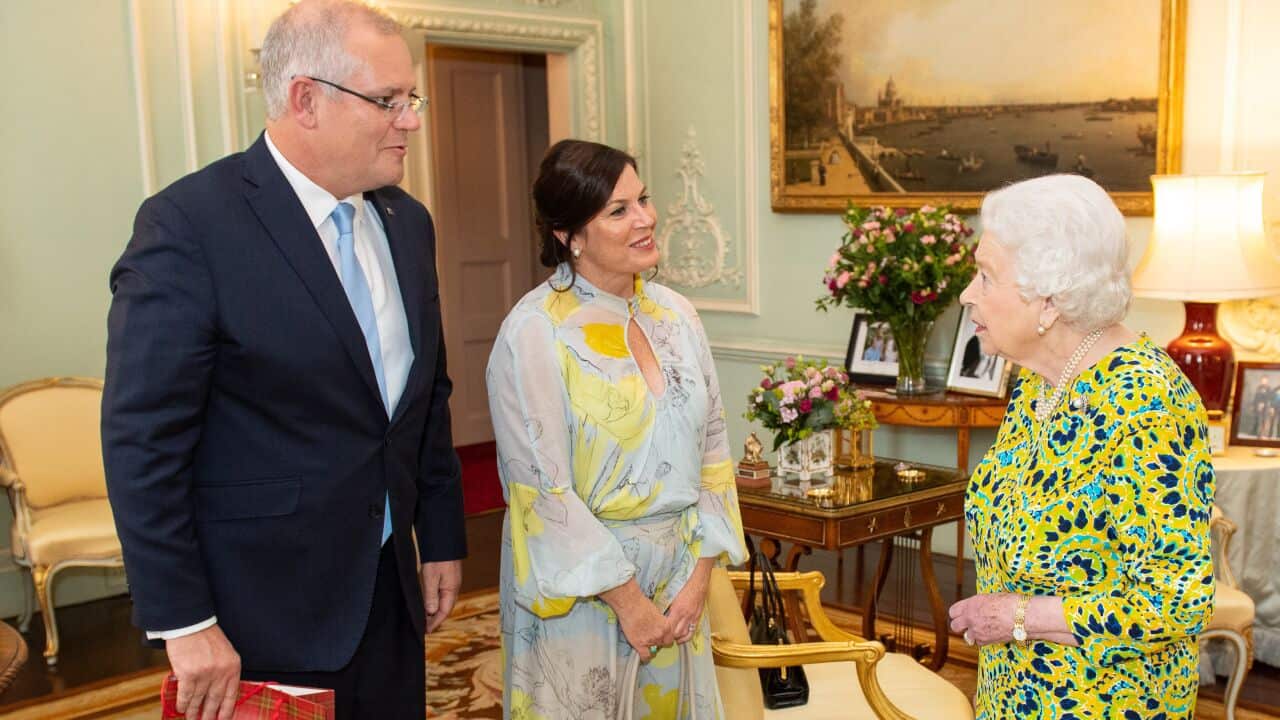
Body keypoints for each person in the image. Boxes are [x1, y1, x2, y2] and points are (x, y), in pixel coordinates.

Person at [101, 3, 465, 719]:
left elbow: (427, 399)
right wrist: (185, 621)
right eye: (388, 101)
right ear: (306, 100)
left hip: (388, 594)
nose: (411, 121)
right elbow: (143, 442)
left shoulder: (406, 222)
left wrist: (443, 537)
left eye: (410, 99)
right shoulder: (190, 227)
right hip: (260, 611)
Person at [486, 139, 748, 719]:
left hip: (681, 586)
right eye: (618, 210)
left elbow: (713, 452)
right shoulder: (534, 332)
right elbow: (542, 494)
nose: (646, 218)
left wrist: (699, 576)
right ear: (568, 234)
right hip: (583, 595)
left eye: (643, 199)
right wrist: (629, 603)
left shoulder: (678, 315)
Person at [947, 174, 1215, 718]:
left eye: (985, 276)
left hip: (1106, 702)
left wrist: (1019, 617)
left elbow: (1176, 602)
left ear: (1048, 297)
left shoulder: (1147, 403)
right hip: (1012, 695)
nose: (967, 294)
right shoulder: (1039, 382)